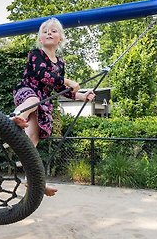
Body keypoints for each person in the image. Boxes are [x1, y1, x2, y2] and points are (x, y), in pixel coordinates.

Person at [11, 17, 95, 197]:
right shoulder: (35, 54)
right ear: (40, 38)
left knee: (31, 140)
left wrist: (82, 96)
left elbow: (60, 89)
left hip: (43, 103)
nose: (49, 33)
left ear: (61, 39)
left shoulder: (61, 63)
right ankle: (15, 117)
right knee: (32, 101)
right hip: (28, 92)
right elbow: (43, 76)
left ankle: (32, 180)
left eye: (54, 31)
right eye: (45, 31)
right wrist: (68, 81)